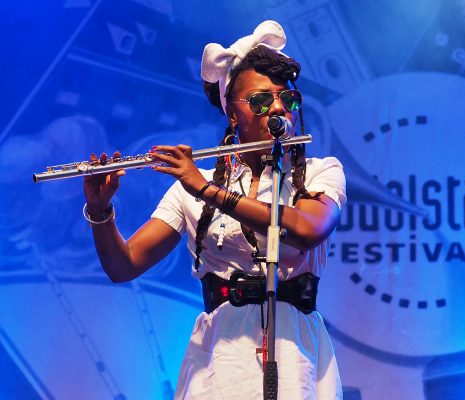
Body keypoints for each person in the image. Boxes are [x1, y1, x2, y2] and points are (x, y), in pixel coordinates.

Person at [83, 20, 346, 399]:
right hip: (219, 358)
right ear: (233, 115)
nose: (277, 107)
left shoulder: (320, 172)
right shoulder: (193, 186)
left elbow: (308, 229)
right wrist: (100, 211)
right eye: (259, 100)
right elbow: (123, 265)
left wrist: (209, 191)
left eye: (286, 99)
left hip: (295, 353)